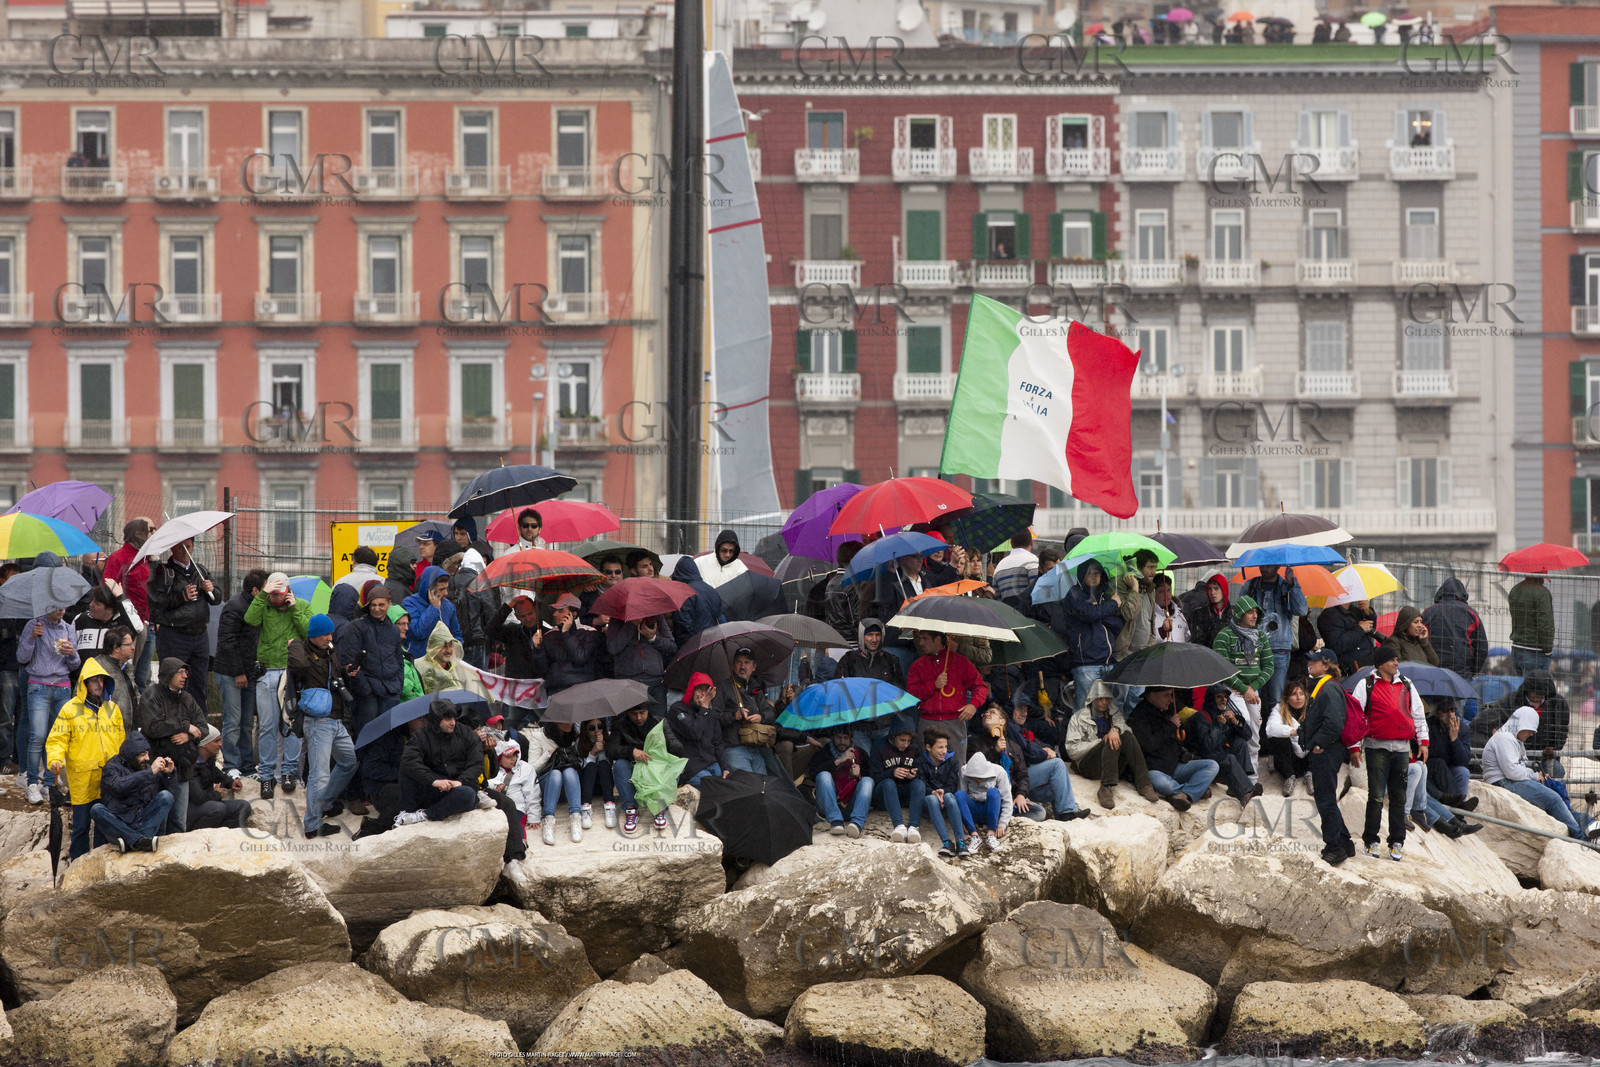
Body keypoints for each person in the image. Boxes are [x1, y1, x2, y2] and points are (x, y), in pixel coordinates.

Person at [45, 658, 126, 859]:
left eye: (101, 679)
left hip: (108, 779)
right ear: (84, 683)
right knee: (81, 827)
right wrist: (55, 759)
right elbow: (57, 740)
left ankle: (98, 865)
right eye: (93, 680)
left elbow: (122, 742)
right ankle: (77, 865)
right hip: (82, 779)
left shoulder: (113, 709)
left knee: (103, 826)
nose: (99, 684)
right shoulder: (70, 710)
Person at [1352, 646, 1427, 861]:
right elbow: (1357, 718)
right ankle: (1370, 840)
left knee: (1399, 798)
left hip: (1402, 748)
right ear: (1381, 663)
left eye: (1396, 659)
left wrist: (1423, 742)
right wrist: (1354, 747)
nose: (1396, 663)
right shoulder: (1366, 684)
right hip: (1377, 748)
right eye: (1392, 660)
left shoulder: (1406, 684)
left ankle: (1396, 842)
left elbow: (1418, 715)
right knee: (1375, 796)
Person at [1484, 707, 1600, 842]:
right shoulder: (1504, 739)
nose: (1531, 734)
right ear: (1521, 724)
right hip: (1503, 782)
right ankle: (1581, 837)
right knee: (1553, 799)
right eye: (1530, 730)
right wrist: (1534, 776)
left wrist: (1539, 775)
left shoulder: (1515, 740)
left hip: (1511, 780)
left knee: (1559, 800)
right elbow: (1512, 771)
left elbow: (1523, 764)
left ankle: (1590, 824)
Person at [288, 615, 358, 839]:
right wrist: (296, 643)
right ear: (313, 635)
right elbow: (298, 665)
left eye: (331, 634)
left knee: (349, 761)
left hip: (335, 719)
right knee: (319, 775)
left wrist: (346, 671)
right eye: (325, 635)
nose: (330, 638)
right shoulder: (303, 653)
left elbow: (334, 677)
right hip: (318, 722)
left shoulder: (330, 651)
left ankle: (325, 803)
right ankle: (312, 824)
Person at [336, 581, 403, 809]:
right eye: (373, 605)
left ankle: (377, 791)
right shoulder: (357, 627)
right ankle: (356, 793)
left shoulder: (393, 630)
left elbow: (399, 660)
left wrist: (397, 684)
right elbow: (349, 662)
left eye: (382, 604)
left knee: (388, 742)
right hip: (368, 695)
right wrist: (366, 689)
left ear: (389, 604)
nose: (377, 609)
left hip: (390, 692)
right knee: (364, 741)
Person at [245, 573, 312, 800]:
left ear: (288, 592)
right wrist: (263, 595)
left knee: (291, 724)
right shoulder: (264, 605)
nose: (275, 599)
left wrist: (294, 609)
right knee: (266, 725)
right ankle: (266, 775)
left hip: (291, 672)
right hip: (267, 672)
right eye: (272, 594)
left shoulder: (301, 605)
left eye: (278, 595)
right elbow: (250, 619)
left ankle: (289, 772)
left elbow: (309, 633)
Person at [19, 606, 82, 804]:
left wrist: (72, 653)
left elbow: (75, 664)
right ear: (47, 606)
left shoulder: (68, 628)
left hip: (62, 686)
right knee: (37, 735)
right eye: (57, 608)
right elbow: (21, 658)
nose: (62, 611)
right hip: (38, 685)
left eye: (64, 607)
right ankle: (31, 783)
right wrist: (31, 637)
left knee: (57, 738)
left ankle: (48, 782)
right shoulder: (34, 624)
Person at [1064, 679, 1159, 810]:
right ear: (1093, 699)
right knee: (1110, 740)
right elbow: (1072, 749)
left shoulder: (1112, 711)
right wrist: (1101, 741)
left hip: (1113, 764)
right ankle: (1105, 788)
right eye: (1101, 699)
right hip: (1089, 766)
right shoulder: (1078, 718)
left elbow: (1123, 726)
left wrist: (1116, 729)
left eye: (1107, 699)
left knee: (1126, 734)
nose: (1104, 702)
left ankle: (1144, 784)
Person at [149, 538, 221, 709]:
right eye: (180, 547)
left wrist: (211, 590)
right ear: (172, 548)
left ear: (193, 547)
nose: (184, 551)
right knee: (172, 681)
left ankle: (199, 726)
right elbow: (156, 601)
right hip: (174, 634)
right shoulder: (163, 572)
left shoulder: (200, 570)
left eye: (188, 547)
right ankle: (172, 723)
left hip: (199, 634)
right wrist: (181, 597)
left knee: (198, 682)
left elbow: (216, 599)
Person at [395, 697, 484, 827]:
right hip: (434, 786)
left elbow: (476, 763)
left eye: (454, 718)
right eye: (448, 719)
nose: (453, 722)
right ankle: (407, 813)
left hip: (458, 786)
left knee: (468, 795)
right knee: (406, 770)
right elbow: (409, 760)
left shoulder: (466, 733)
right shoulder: (422, 735)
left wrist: (460, 781)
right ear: (437, 720)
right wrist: (434, 781)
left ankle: (425, 815)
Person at [1302, 649, 1355, 865]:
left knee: (1325, 799)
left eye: (1315, 661)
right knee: (1327, 798)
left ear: (1326, 665)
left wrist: (1318, 744)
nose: (1310, 663)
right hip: (1328, 749)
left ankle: (1334, 847)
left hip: (1327, 750)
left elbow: (1334, 723)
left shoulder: (1329, 687)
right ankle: (1345, 843)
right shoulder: (1324, 686)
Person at [1046, 558, 1122, 706]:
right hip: (1086, 663)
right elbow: (1088, 614)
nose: (1094, 577)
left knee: (1110, 710)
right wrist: (1111, 605)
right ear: (1082, 575)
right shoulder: (1074, 594)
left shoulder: (1104, 596)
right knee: (1084, 710)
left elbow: (1117, 624)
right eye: (1090, 574)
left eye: (1097, 573)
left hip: (1109, 662)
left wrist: (1099, 613)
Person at [1127, 686, 1217, 811]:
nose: (1170, 700)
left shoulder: (1168, 710)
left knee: (1212, 765)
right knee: (1165, 785)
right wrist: (1170, 725)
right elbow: (1148, 745)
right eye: (1166, 695)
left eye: (1171, 695)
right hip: (1154, 769)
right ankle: (1194, 791)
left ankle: (1183, 794)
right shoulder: (1139, 715)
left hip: (1174, 766)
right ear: (1152, 695)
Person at [905, 630, 987, 765]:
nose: (920, 643)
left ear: (937, 639)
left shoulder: (961, 662)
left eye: (925, 639)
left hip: (955, 722)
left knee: (958, 766)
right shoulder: (917, 665)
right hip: (927, 723)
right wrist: (934, 685)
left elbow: (981, 687)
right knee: (926, 768)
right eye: (920, 639)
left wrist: (973, 704)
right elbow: (912, 695)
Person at [214, 570, 266, 781]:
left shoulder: (257, 606)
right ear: (255, 590)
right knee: (233, 721)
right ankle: (231, 765)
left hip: (249, 673)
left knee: (246, 722)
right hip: (230, 672)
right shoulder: (235, 606)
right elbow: (227, 642)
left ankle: (247, 765)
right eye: (265, 589)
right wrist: (238, 672)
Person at [1241, 566, 1307, 720]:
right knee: (1254, 699)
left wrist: (1293, 584)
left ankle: (1275, 738)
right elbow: (1238, 614)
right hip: (1253, 650)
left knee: (1275, 701)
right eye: (1263, 564)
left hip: (1278, 651)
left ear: (1278, 566)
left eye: (1270, 564)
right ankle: (1259, 738)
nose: (1265, 568)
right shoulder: (1250, 586)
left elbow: (1302, 610)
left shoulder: (1286, 587)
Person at [91, 733, 175, 853]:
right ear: (131, 755)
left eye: (147, 754)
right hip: (119, 825)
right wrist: (149, 773)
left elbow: (171, 796)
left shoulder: (146, 768)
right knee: (96, 809)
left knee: (166, 797)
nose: (147, 758)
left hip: (142, 822)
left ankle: (133, 841)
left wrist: (169, 775)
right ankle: (139, 841)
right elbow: (119, 787)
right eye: (142, 755)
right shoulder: (111, 767)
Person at [1005, 698, 1085, 819]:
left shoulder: (1021, 728)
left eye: (1026, 710)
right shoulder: (1010, 727)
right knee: (1057, 764)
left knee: (1057, 786)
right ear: (1011, 710)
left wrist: (1048, 750)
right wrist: (1044, 754)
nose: (1023, 713)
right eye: (1020, 709)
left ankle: (1063, 817)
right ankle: (1066, 812)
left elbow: (1037, 743)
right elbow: (1027, 751)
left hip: (1025, 780)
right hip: (1017, 779)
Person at [1212, 595, 1273, 745]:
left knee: (1255, 728)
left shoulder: (1261, 636)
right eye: (1250, 612)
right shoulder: (1224, 636)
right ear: (1240, 614)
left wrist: (1253, 687)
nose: (1255, 615)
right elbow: (1222, 668)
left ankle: (1253, 768)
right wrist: (1243, 689)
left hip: (1253, 691)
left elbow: (1269, 666)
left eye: (1256, 612)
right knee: (1242, 721)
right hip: (1231, 690)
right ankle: (1240, 766)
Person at [102, 518, 154, 689]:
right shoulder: (118, 558)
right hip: (125, 626)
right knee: (127, 673)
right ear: (138, 535)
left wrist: (146, 619)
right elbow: (106, 589)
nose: (150, 536)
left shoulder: (142, 558)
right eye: (148, 532)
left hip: (142, 623)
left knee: (142, 677)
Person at [717, 649, 783, 776]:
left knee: (763, 786)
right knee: (749, 787)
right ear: (732, 665)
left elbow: (770, 712)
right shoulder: (723, 687)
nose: (742, 666)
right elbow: (713, 718)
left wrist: (761, 717)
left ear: (754, 667)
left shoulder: (756, 687)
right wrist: (734, 716)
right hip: (733, 748)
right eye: (739, 662)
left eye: (747, 663)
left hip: (756, 747)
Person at [1191, 685, 1262, 802]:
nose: (1223, 699)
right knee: (1228, 758)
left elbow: (1248, 736)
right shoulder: (1200, 718)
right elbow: (1207, 745)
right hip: (1205, 762)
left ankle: (1241, 783)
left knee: (1240, 742)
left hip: (1219, 757)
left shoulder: (1226, 715)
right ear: (1210, 698)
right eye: (1219, 697)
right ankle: (1246, 794)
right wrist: (1219, 725)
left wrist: (1235, 721)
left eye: (1225, 697)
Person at [664, 673, 730, 793]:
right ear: (692, 689)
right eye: (700, 688)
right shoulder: (677, 709)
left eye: (707, 690)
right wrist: (704, 709)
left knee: (727, 786)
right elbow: (694, 733)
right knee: (714, 789)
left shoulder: (711, 713)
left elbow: (718, 742)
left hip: (712, 763)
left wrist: (725, 767)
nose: (703, 694)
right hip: (691, 767)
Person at [605, 702, 662, 835]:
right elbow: (610, 750)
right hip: (631, 768)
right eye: (634, 714)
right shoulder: (619, 725)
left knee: (673, 764)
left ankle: (660, 806)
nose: (639, 717)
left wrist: (663, 741)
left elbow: (678, 748)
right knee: (619, 764)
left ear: (648, 711)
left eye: (642, 713)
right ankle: (630, 809)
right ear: (627, 713)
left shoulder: (659, 722)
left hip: (654, 767)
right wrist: (631, 751)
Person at [868, 715, 925, 842]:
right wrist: (892, 773)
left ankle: (913, 827)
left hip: (905, 793)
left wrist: (913, 774)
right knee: (888, 783)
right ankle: (899, 826)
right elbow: (874, 776)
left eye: (909, 741)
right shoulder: (879, 746)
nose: (906, 744)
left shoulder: (914, 748)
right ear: (893, 737)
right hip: (883, 795)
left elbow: (922, 771)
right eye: (902, 740)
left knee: (919, 784)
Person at [808, 726, 873, 837]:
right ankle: (836, 821)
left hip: (850, 806)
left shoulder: (860, 754)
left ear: (851, 739)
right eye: (838, 737)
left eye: (846, 738)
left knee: (868, 781)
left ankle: (857, 823)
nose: (842, 741)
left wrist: (859, 774)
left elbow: (872, 777)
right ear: (833, 737)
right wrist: (838, 761)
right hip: (826, 807)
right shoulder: (824, 752)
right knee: (824, 775)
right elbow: (813, 774)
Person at [530, 718, 587, 845]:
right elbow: (531, 768)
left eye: (572, 720)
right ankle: (548, 820)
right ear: (555, 721)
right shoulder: (539, 736)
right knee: (556, 774)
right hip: (548, 785)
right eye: (566, 720)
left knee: (569, 771)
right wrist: (549, 754)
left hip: (568, 787)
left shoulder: (573, 736)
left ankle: (575, 817)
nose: (570, 723)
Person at [1420, 577, 1488, 680]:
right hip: (1461, 672)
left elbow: (1419, 641)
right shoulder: (1471, 614)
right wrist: (1473, 670)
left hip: (1433, 671)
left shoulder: (1429, 612)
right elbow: (1482, 647)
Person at [187, 725, 253, 830]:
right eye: (216, 741)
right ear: (204, 745)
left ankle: (221, 832)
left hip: (208, 804)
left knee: (244, 807)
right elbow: (197, 797)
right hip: (192, 809)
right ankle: (195, 835)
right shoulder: (191, 764)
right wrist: (217, 794)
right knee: (218, 809)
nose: (220, 744)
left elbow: (215, 773)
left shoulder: (209, 759)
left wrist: (230, 782)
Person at [606, 614, 676, 713]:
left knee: (658, 723)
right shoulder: (617, 619)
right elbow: (612, 648)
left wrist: (653, 638)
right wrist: (631, 624)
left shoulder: (657, 617)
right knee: (627, 724)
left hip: (654, 682)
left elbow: (672, 647)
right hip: (627, 682)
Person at [487, 739, 537, 877]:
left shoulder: (526, 768)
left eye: (515, 755)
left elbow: (532, 793)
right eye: (508, 756)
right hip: (495, 806)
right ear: (498, 757)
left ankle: (516, 856)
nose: (513, 759)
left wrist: (534, 816)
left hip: (518, 807)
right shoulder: (491, 769)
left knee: (515, 823)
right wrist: (493, 785)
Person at [541, 594, 605, 695]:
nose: (555, 614)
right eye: (555, 610)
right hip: (556, 689)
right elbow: (541, 668)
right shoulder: (549, 635)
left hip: (581, 688)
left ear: (573, 614)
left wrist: (566, 633)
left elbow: (580, 658)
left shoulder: (589, 632)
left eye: (561, 611)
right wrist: (537, 650)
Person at [73, 581, 144, 669]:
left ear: (110, 610)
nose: (91, 604)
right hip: (83, 678)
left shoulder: (123, 623)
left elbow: (138, 627)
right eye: (92, 600)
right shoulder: (80, 619)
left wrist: (121, 597)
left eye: (97, 604)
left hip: (113, 679)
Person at [416, 621, 490, 700]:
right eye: (444, 646)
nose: (448, 650)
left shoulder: (458, 667)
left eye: (450, 646)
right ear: (434, 647)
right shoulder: (419, 666)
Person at [401, 566, 461, 661]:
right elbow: (418, 632)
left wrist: (455, 649)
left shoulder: (448, 606)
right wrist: (433, 608)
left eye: (446, 588)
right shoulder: (410, 603)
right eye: (441, 589)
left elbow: (456, 634)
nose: (446, 593)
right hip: (419, 661)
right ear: (429, 589)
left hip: (441, 663)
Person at [961, 744, 1013, 853]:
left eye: (980, 778)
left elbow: (1007, 801)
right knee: (959, 795)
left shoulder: (999, 771)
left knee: (993, 791)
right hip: (974, 809)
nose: (977, 780)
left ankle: (990, 835)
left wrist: (1002, 824)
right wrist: (962, 820)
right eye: (974, 778)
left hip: (991, 811)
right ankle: (975, 836)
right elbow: (962, 795)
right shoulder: (964, 771)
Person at [1265, 679, 1313, 794]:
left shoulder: (1312, 707)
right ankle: (1289, 777)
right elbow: (1269, 729)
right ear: (1287, 698)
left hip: (1309, 757)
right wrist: (1293, 731)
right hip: (1290, 760)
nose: (1298, 698)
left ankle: (1310, 775)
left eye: (1301, 694)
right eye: (1294, 694)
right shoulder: (1279, 709)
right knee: (1278, 737)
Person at [669, 555, 723, 645]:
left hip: (695, 644)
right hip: (713, 641)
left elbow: (683, 625)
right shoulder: (711, 590)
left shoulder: (684, 593)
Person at [1508, 575, 1555, 677]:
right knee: (1537, 689)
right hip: (1535, 650)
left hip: (1517, 647)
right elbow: (1545, 624)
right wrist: (1548, 649)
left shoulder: (1515, 590)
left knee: (1522, 689)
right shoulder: (1542, 593)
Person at [1131, 573, 1189, 651]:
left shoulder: (1179, 615)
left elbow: (1187, 637)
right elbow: (1143, 641)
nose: (1167, 595)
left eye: (1168, 590)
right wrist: (1162, 631)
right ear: (1154, 593)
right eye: (1162, 592)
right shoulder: (1149, 615)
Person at [1319, 600, 1379, 675]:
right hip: (1350, 669)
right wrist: (1360, 629)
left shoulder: (1354, 610)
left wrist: (1368, 613)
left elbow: (1369, 629)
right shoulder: (1329, 615)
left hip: (1366, 662)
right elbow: (1337, 645)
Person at [577, 719, 616, 828]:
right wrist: (593, 752)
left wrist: (603, 749)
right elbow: (580, 768)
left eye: (600, 726)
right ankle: (586, 807)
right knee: (591, 766)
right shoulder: (579, 742)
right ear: (585, 730)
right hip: (587, 786)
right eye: (591, 728)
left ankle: (609, 805)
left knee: (603, 764)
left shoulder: (609, 738)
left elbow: (611, 766)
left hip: (605, 784)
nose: (596, 730)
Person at [1180, 570, 1232, 650]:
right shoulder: (1201, 612)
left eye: (1216, 588)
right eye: (1210, 589)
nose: (1213, 593)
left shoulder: (1182, 597)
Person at [991, 530, 1038, 609]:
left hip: (1007, 615)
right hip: (1029, 616)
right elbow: (1037, 591)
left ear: (1011, 543)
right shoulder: (1033, 561)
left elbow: (997, 596)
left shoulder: (999, 566)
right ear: (1031, 542)